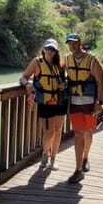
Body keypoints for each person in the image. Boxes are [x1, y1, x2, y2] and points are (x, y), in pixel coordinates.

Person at [19, 39, 67, 171]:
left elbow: (64, 80)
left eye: (53, 49)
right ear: (43, 49)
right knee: (49, 132)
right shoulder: (37, 62)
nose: (50, 51)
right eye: (48, 48)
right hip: (45, 101)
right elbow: (23, 77)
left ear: (56, 51)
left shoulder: (60, 63)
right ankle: (45, 155)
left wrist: (65, 84)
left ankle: (53, 159)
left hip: (60, 100)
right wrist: (27, 84)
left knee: (58, 131)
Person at [63, 33, 103, 184]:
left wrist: (99, 102)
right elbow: (55, 72)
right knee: (78, 134)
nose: (72, 46)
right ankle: (78, 170)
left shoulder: (92, 60)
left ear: (80, 43)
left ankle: (86, 157)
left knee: (87, 132)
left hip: (89, 103)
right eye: (70, 43)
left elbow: (100, 81)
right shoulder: (67, 59)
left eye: (75, 43)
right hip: (74, 102)